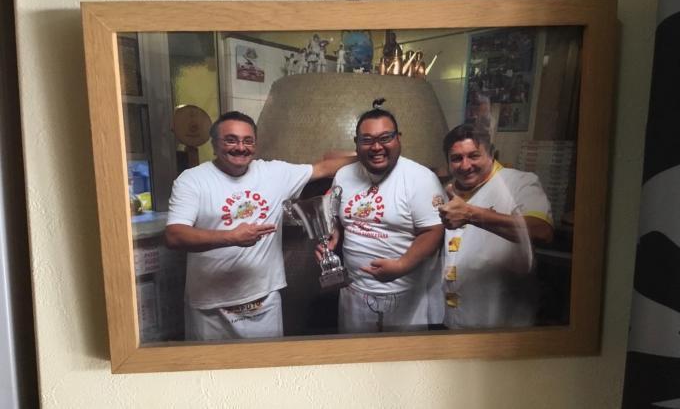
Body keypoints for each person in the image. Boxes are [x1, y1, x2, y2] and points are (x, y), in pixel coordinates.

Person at [165, 111, 354, 341]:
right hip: (210, 305)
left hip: (264, 300)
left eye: (248, 141)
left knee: (267, 362)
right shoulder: (192, 180)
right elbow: (175, 236)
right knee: (211, 365)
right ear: (214, 145)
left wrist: (373, 152)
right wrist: (230, 237)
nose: (240, 147)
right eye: (231, 140)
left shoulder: (274, 173)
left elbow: (324, 167)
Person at [323, 101, 445, 333]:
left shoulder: (421, 178)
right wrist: (333, 232)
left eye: (385, 138)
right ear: (357, 143)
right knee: (355, 353)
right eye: (367, 140)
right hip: (353, 291)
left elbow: (433, 231)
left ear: (398, 139)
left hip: (403, 294)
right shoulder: (343, 175)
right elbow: (337, 216)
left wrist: (402, 265)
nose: (376, 147)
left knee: (402, 356)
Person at [437, 124, 553, 329]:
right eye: (456, 158)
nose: (465, 165)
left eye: (474, 156)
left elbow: (541, 231)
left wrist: (471, 214)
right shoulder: (447, 190)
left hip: (502, 323)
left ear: (491, 154)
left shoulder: (519, 182)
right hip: (454, 321)